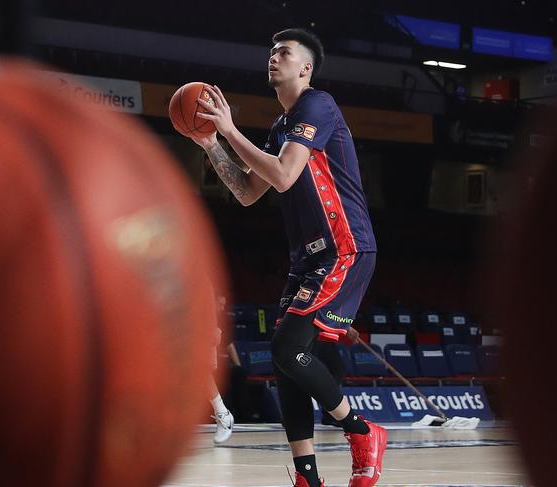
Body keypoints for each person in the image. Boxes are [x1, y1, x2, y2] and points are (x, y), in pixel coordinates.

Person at [191, 28, 387, 487]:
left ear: (306, 68)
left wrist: (229, 129)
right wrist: (212, 146)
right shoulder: (281, 127)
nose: (273, 58)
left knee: (285, 348)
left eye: (284, 53)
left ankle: (362, 430)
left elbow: (282, 175)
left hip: (345, 247)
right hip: (307, 260)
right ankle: (307, 477)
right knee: (285, 361)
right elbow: (245, 192)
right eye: (271, 52)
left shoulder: (319, 104)